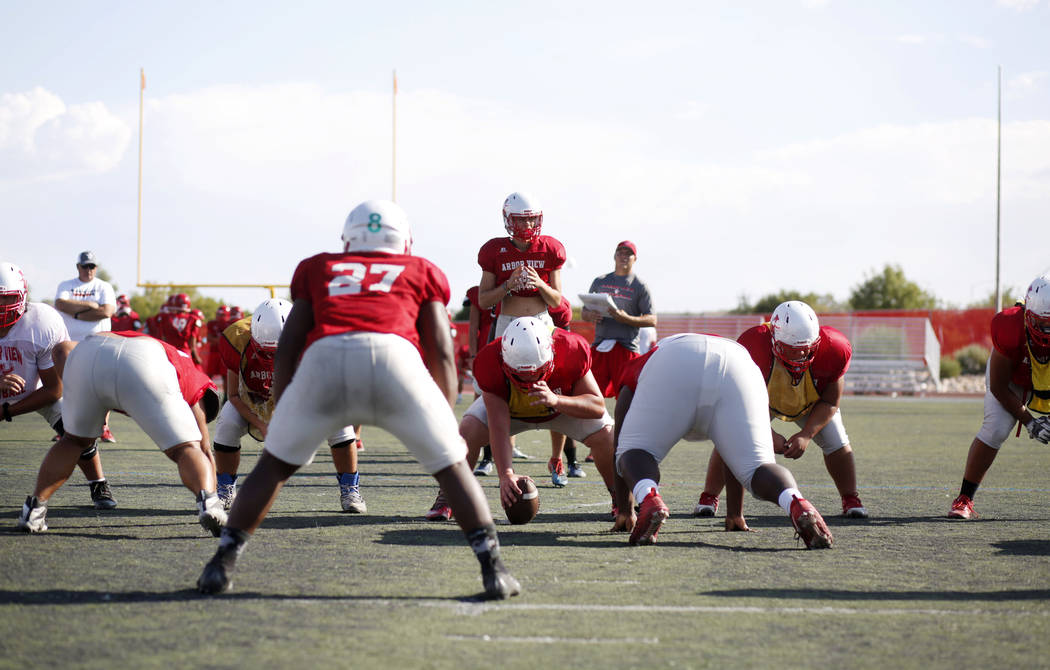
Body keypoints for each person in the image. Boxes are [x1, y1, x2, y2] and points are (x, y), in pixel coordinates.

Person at [197, 200, 519, 600]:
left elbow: (291, 344)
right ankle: (493, 568)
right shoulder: (421, 269)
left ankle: (221, 562)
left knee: (273, 466)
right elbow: (439, 346)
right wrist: (443, 410)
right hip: (395, 357)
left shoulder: (318, 267)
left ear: (349, 239)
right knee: (452, 468)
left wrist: (285, 407)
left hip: (327, 357)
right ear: (403, 240)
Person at [613, 333, 834, 549]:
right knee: (757, 468)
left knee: (634, 450)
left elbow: (621, 436)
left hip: (675, 361)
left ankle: (650, 496)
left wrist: (625, 510)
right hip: (737, 365)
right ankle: (794, 501)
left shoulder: (645, 360)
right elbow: (731, 449)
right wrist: (735, 514)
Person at [16, 330, 225, 535]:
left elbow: (63, 349)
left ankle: (33, 510)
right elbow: (205, 450)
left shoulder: (159, 349)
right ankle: (209, 504)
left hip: (89, 353)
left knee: (73, 441)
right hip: (143, 360)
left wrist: (79, 393)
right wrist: (213, 493)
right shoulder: (197, 382)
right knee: (186, 448)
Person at [425, 316, 619, 522]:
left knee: (606, 435)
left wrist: (556, 400)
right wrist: (505, 473)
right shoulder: (490, 359)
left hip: (560, 407)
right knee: (468, 430)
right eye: (520, 375)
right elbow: (498, 426)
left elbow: (597, 406)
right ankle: (450, 495)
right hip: (512, 410)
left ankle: (619, 497)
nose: (529, 382)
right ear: (505, 360)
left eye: (537, 374)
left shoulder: (570, 348)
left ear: (552, 355)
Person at [691, 301, 868, 520]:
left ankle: (850, 497)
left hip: (811, 401)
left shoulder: (835, 348)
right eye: (792, 351)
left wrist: (806, 434)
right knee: (732, 439)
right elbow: (739, 400)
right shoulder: (753, 345)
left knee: (837, 441)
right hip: (762, 401)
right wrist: (767, 433)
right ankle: (709, 496)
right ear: (774, 339)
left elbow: (831, 402)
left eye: (806, 350)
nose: (799, 357)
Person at [212, 298, 365, 513]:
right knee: (227, 421)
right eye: (266, 353)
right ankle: (225, 487)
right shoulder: (236, 338)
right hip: (253, 396)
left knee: (340, 422)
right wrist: (262, 424)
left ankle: (350, 488)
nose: (272, 360)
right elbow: (234, 395)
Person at [1, 261, 117, 510]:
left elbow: (55, 389)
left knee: (75, 426)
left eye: (6, 299)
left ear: (21, 297)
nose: (0, 307)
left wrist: (7, 411)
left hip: (39, 387)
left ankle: (98, 482)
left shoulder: (41, 322)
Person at [476, 192, 568, 483]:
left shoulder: (550, 249)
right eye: (520, 218)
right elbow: (482, 300)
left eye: (531, 218)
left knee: (556, 387)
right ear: (507, 219)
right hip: (508, 324)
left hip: (542, 323)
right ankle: (501, 461)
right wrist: (508, 285)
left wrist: (539, 282)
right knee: (502, 392)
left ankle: (557, 459)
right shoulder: (494, 251)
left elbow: (556, 301)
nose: (526, 224)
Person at [948, 273, 1050, 519]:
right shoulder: (1010, 327)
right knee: (996, 428)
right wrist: (1030, 422)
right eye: (1043, 324)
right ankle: (964, 499)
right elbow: (998, 387)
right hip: (1014, 380)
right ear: (1028, 315)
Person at [53, 251, 118, 442]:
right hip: (70, 344)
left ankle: (103, 427)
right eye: (85, 266)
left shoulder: (104, 286)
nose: (88, 270)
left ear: (96, 268)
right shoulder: (66, 285)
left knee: (101, 387)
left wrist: (77, 313)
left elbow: (106, 311)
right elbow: (60, 304)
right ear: (78, 267)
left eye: (92, 266)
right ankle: (67, 427)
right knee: (69, 387)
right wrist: (90, 305)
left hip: (99, 342)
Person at [581, 240, 657, 398]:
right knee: (591, 395)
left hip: (626, 348)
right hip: (600, 346)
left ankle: (623, 424)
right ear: (614, 256)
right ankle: (599, 424)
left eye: (628, 253)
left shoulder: (640, 286)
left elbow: (652, 320)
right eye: (620, 252)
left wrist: (627, 318)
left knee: (626, 397)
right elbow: (584, 312)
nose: (623, 256)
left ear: (635, 259)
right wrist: (591, 315)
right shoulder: (600, 281)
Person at [152, 293, 203, 367]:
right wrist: (196, 357)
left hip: (169, 352)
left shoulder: (164, 317)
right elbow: (192, 343)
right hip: (185, 353)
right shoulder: (193, 319)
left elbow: (160, 337)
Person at [204, 305, 232, 384]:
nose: (219, 316)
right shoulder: (212, 324)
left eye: (222, 315)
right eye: (218, 314)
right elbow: (209, 339)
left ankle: (227, 396)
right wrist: (223, 341)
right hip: (214, 352)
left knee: (226, 376)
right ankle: (205, 393)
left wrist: (218, 340)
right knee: (209, 375)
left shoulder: (230, 324)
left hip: (225, 354)